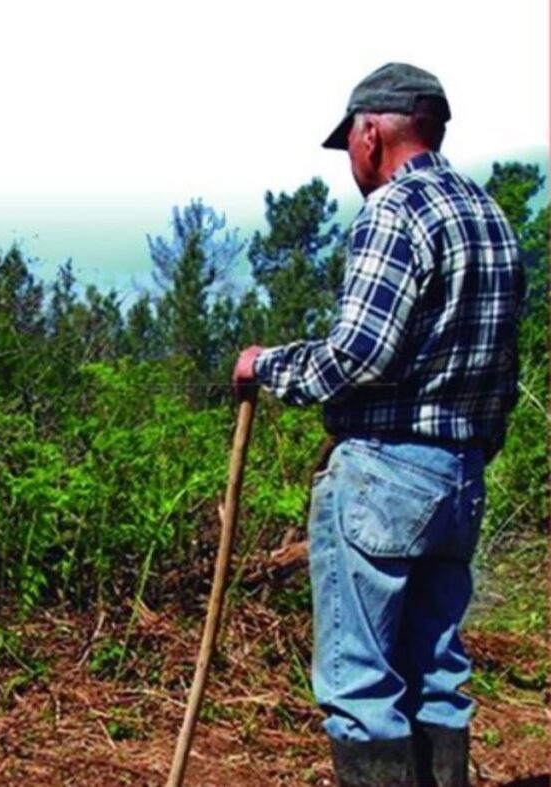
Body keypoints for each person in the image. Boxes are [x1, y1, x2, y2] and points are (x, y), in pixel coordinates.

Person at [232, 63, 523, 786]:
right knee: (436, 672)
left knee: (362, 687)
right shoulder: (491, 217)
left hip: (385, 477)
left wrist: (266, 366)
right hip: (461, 477)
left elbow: (361, 354)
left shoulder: (396, 211)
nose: (353, 164)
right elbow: (503, 368)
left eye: (351, 146)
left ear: (370, 133)